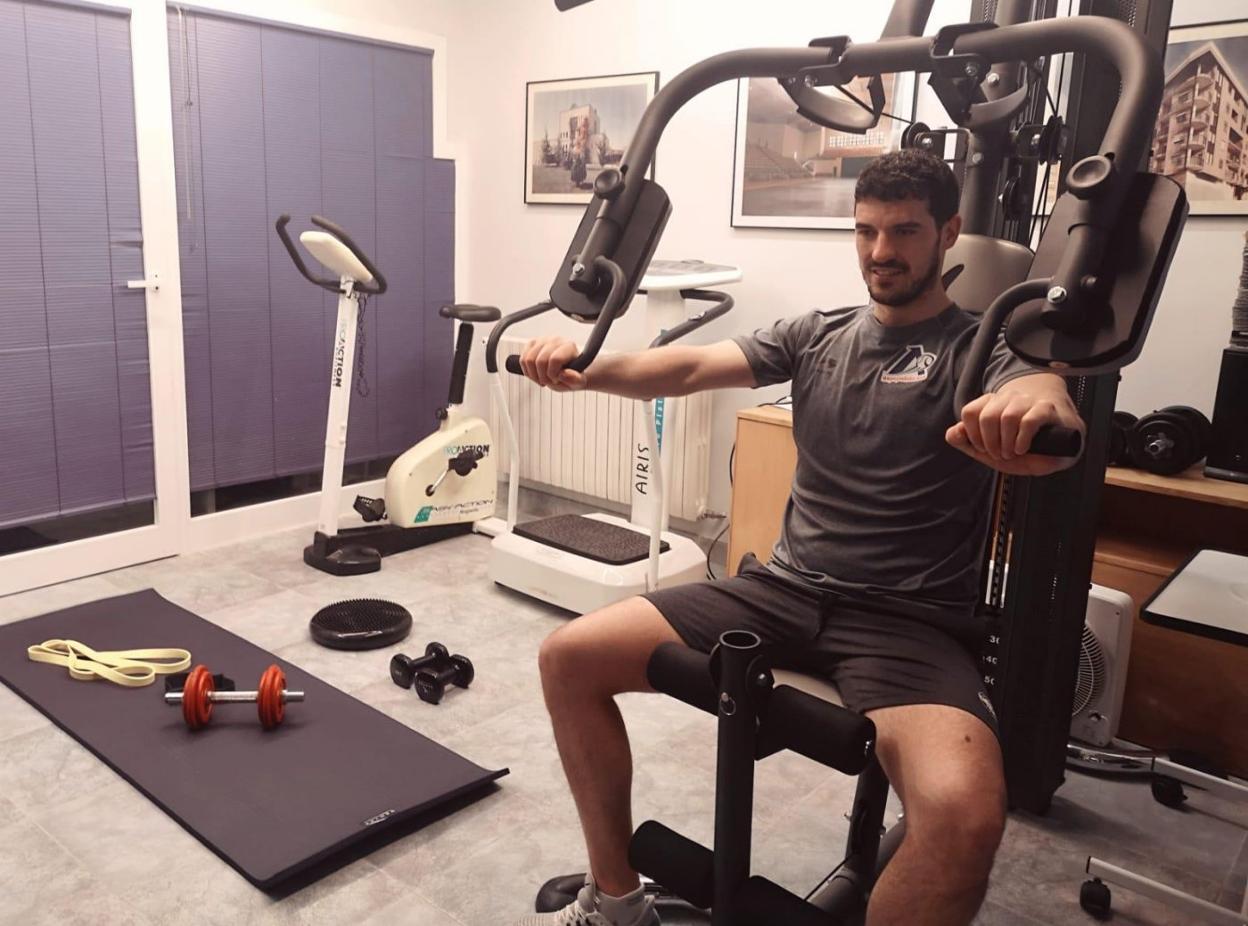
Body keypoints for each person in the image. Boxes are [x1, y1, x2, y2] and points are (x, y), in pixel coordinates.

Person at [514, 149, 1086, 926]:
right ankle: (614, 900)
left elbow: (1044, 397)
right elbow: (683, 369)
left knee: (967, 814)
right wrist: (583, 366)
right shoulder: (819, 333)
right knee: (568, 656)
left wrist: (1035, 413)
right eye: (866, 232)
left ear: (949, 232)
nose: (882, 252)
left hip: (908, 624)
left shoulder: (983, 347)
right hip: (782, 591)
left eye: (906, 231)